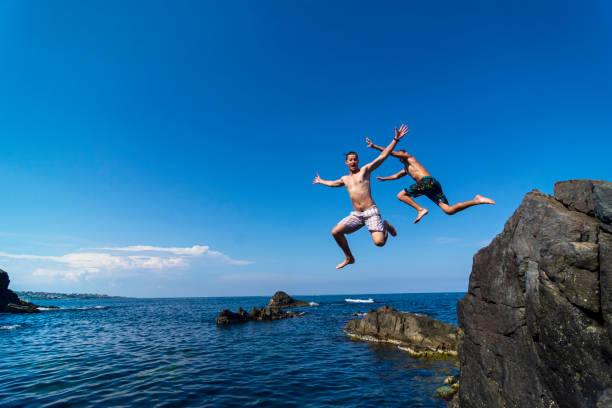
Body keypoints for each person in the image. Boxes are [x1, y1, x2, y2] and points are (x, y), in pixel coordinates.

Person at [313, 125, 409, 269]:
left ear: (358, 161)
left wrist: (395, 140)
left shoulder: (365, 171)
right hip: (357, 215)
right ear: (346, 162)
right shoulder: (344, 178)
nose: (353, 162)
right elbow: (332, 184)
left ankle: (386, 226)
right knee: (335, 232)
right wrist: (321, 181)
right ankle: (349, 257)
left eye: (355, 159)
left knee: (379, 243)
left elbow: (382, 156)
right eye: (350, 160)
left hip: (371, 212)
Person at [365, 136, 495, 224]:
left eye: (400, 155)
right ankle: (476, 200)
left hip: (427, 182)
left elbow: (391, 153)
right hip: (431, 186)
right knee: (448, 210)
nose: (399, 157)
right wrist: (384, 179)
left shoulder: (410, 158)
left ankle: (420, 209)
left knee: (401, 195)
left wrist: (374, 146)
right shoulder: (406, 169)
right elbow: (396, 176)